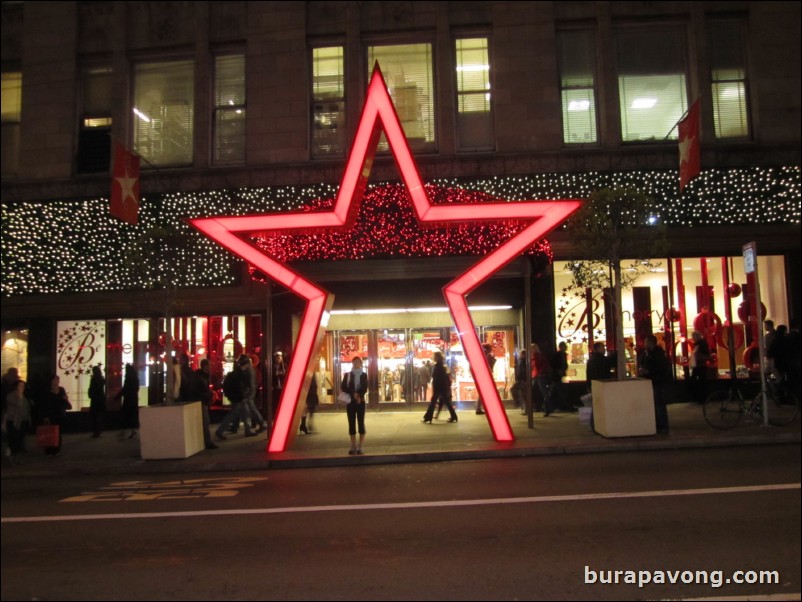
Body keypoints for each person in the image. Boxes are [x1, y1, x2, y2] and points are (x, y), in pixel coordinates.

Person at [639, 335, 671, 434]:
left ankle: (663, 426)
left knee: (659, 403)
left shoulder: (658, 354)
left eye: (646, 342)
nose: (644, 344)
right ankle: (658, 425)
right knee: (655, 404)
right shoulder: (647, 353)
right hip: (651, 381)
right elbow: (642, 362)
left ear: (650, 342)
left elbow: (660, 368)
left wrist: (648, 371)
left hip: (657, 381)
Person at [215, 364, 256, 440]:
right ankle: (220, 431)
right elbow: (239, 388)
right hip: (239, 398)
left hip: (235, 398)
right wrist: (243, 395)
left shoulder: (233, 374)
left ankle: (247, 430)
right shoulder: (240, 375)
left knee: (243, 413)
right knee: (237, 414)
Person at [342, 356, 368, 455]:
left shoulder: (364, 375)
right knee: (351, 422)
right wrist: (353, 393)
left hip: (360, 401)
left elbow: (365, 388)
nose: (356, 364)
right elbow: (344, 386)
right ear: (352, 363)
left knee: (361, 423)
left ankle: (360, 446)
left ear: (360, 363)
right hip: (351, 402)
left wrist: (359, 396)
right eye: (354, 362)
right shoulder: (347, 375)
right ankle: (353, 445)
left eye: (358, 362)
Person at [423, 351, 458, 424]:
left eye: (435, 356)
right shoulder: (442, 366)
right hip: (442, 387)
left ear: (437, 358)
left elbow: (436, 377)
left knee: (433, 402)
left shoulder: (438, 366)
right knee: (446, 402)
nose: (434, 358)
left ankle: (428, 417)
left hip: (439, 387)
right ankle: (453, 416)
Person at [40, 374, 71, 456]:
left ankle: (57, 450)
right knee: (49, 432)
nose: (57, 381)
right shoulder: (47, 391)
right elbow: (44, 404)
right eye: (55, 380)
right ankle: (49, 450)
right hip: (50, 414)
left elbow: (64, 400)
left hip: (60, 414)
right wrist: (45, 416)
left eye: (57, 380)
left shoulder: (61, 390)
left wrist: (65, 399)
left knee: (58, 432)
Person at [191, 359, 217, 449]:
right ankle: (207, 442)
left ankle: (206, 441)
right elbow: (198, 390)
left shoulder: (201, 376)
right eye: (209, 365)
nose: (211, 367)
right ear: (205, 366)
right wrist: (208, 395)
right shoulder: (201, 377)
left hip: (202, 400)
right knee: (205, 422)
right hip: (201, 401)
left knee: (205, 422)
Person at [5, 379, 33, 459]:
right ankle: (12, 455)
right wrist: (20, 396)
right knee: (14, 439)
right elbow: (18, 405)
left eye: (23, 386)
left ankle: (16, 456)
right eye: (21, 386)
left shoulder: (25, 397)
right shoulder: (11, 396)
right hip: (14, 421)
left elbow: (27, 408)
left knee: (20, 439)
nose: (23, 387)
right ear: (16, 387)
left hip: (23, 421)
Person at [239, 354, 266, 434]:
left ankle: (260, 424)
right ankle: (258, 425)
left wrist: (248, 392)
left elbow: (250, 383)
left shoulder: (249, 370)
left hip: (249, 393)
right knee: (251, 409)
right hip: (250, 392)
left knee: (252, 410)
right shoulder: (251, 369)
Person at [116, 364, 139, 439]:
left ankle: (123, 431)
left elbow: (125, 389)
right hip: (133, 399)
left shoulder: (128, 378)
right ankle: (132, 430)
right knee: (131, 416)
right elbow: (136, 388)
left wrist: (117, 397)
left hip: (128, 399)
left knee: (125, 415)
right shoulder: (135, 378)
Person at [689, 331, 710, 403]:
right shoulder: (699, 344)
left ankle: (701, 398)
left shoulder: (700, 344)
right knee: (700, 382)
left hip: (700, 365)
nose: (692, 338)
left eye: (693, 336)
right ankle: (700, 398)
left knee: (700, 382)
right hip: (700, 365)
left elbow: (704, 354)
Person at [476, 343, 495, 415]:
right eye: (490, 348)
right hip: (484, 377)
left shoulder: (483, 356)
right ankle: (482, 408)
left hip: (483, 377)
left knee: (483, 393)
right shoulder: (485, 357)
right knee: (485, 393)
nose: (491, 350)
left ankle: (479, 408)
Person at [88, 365, 106, 438]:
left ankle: (96, 431)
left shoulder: (93, 379)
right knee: (99, 416)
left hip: (95, 400)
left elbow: (91, 389)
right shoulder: (102, 379)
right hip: (101, 399)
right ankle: (99, 430)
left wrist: (90, 394)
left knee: (94, 416)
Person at [271, 351, 286, 422]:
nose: (279, 359)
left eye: (280, 358)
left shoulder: (284, 366)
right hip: (276, 387)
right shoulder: (273, 366)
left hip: (282, 387)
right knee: (276, 402)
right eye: (277, 358)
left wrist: (281, 373)